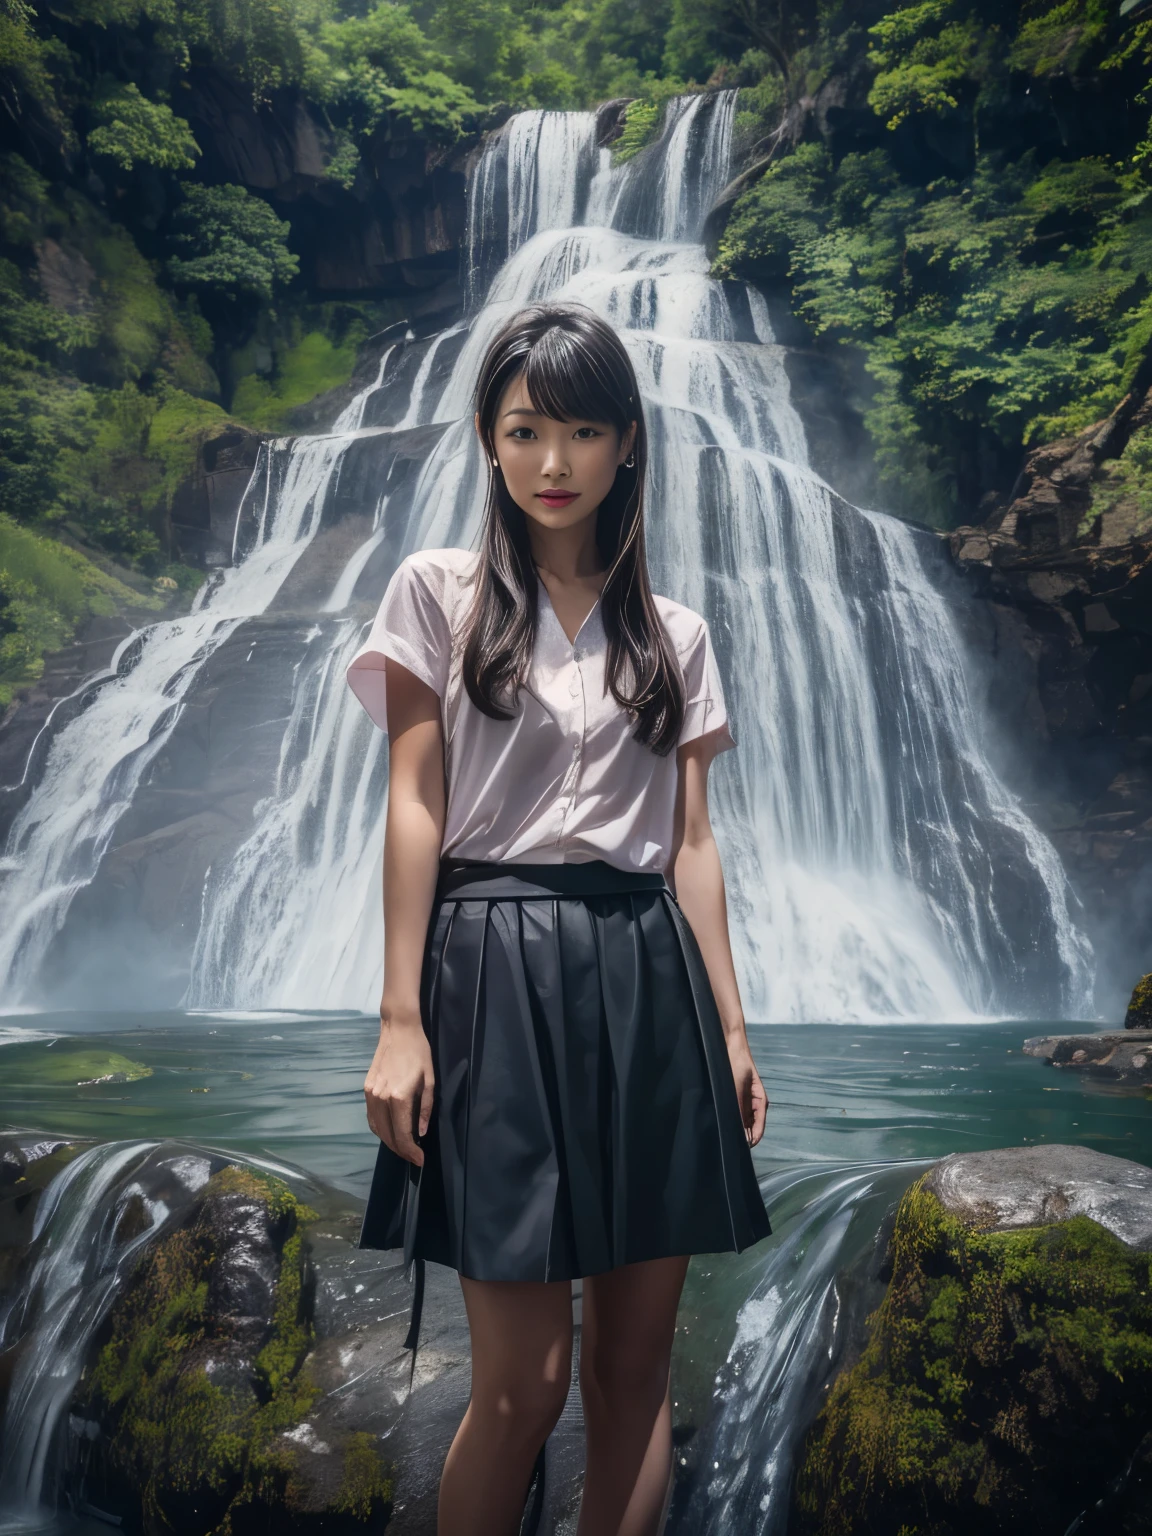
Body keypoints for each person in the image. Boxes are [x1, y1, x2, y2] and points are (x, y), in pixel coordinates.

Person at [345, 301, 772, 1536]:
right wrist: (398, 1019)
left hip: (650, 979)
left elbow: (692, 846)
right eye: (526, 429)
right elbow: (415, 800)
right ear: (487, 437)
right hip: (492, 973)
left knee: (632, 1377)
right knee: (523, 1385)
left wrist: (733, 1032)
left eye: (584, 432)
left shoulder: (676, 634)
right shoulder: (437, 591)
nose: (553, 463)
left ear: (626, 445)